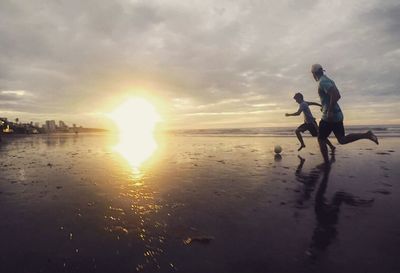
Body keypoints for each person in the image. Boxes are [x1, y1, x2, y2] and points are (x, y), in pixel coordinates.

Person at [311, 64, 378, 163]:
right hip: (336, 114)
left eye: (312, 74)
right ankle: (367, 135)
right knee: (342, 140)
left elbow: (336, 95)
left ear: (315, 73)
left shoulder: (323, 82)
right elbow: (332, 96)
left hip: (329, 116)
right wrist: (325, 107)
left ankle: (326, 163)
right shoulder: (328, 80)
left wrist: (329, 110)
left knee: (321, 139)